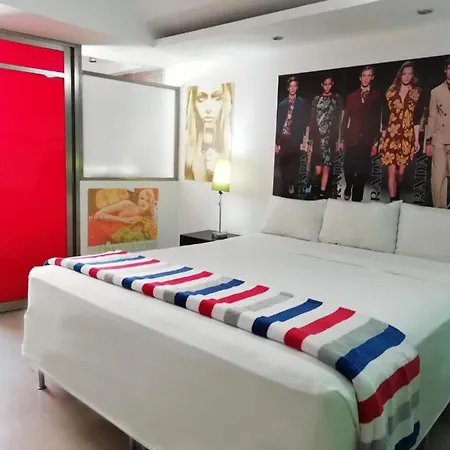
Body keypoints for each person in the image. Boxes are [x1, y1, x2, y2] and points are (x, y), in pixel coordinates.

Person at [381, 61, 425, 202]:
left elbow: (417, 118)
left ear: (413, 76)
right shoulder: (390, 93)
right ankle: (393, 200)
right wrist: (382, 138)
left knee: (400, 172)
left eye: (409, 74)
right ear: (400, 75)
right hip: (391, 136)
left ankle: (397, 189)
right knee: (391, 172)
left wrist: (416, 140)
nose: (406, 76)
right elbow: (385, 117)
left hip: (407, 136)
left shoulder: (417, 93)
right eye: (404, 73)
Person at [340, 66, 382, 202]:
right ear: (360, 78)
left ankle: (356, 201)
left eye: (368, 75)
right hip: (351, 138)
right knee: (348, 168)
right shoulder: (351, 97)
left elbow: (377, 120)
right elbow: (345, 119)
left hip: (367, 139)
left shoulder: (376, 97)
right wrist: (341, 138)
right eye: (363, 75)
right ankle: (349, 186)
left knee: (363, 171)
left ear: (372, 77)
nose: (365, 78)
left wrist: (376, 142)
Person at [185, 82, 234, 182]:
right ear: (193, 103)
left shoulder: (230, 146)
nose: (208, 109)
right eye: (201, 99)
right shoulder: (188, 148)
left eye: (217, 98)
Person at [309, 75, 343, 198]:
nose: (327, 87)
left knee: (326, 167)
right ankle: (315, 190)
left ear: (332, 84)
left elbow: (338, 119)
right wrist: (310, 140)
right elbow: (312, 119)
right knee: (317, 169)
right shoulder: (316, 99)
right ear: (322, 85)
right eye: (325, 84)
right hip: (318, 136)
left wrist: (339, 139)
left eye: (329, 84)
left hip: (329, 137)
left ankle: (322, 193)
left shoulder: (336, 98)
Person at [275, 77, 309, 198]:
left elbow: (305, 121)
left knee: (294, 166)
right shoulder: (282, 104)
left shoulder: (302, 103)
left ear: (297, 88)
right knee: (284, 166)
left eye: (295, 86)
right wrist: (276, 142)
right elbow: (278, 123)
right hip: (284, 138)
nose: (293, 88)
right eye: (291, 86)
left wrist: (305, 139)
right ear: (288, 88)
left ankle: (292, 186)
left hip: (295, 138)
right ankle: (285, 190)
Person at [425, 57, 450, 208]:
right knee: (438, 180)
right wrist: (428, 141)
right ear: (445, 70)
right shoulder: (436, 92)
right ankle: (439, 213)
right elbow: (432, 117)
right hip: (439, 140)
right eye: (449, 68)